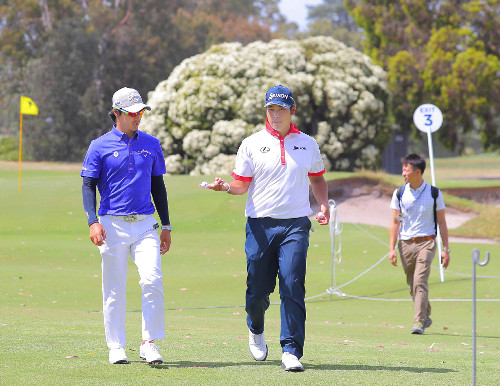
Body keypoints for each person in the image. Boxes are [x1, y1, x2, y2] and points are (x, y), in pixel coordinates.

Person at [205, 85, 330, 372]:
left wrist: (322, 204)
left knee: (292, 283)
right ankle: (256, 326)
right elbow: (241, 185)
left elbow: (318, 179)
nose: (275, 114)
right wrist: (226, 187)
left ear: (292, 111)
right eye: (271, 109)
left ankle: (291, 350)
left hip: (296, 225)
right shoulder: (251, 143)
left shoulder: (308, 143)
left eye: (281, 109)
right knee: (258, 290)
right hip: (260, 225)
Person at [81, 87, 172, 364]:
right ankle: (116, 346)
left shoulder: (151, 143)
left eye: (141, 112)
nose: (138, 117)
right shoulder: (99, 145)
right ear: (117, 113)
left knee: (152, 279)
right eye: (132, 113)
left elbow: (158, 186)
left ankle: (149, 342)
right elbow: (88, 185)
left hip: (145, 223)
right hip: (112, 224)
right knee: (114, 288)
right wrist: (92, 221)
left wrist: (166, 224)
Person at [389, 153, 450, 335]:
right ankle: (426, 313)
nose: (403, 173)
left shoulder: (434, 193)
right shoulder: (399, 193)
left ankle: (418, 321)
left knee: (419, 281)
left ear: (417, 172)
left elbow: (442, 222)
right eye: (403, 170)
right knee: (412, 285)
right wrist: (391, 248)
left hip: (427, 242)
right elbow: (395, 222)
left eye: (406, 170)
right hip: (405, 244)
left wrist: (446, 249)